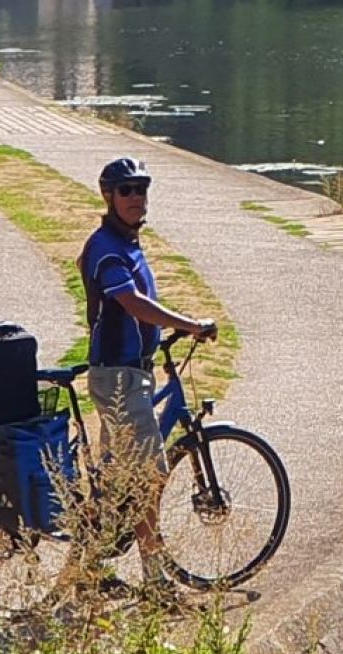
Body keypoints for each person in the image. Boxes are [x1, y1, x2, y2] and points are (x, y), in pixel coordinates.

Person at [79, 156, 218, 465]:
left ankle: (97, 514)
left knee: (121, 478)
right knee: (147, 481)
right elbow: (134, 303)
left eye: (141, 189)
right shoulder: (108, 248)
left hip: (131, 372)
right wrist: (191, 324)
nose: (135, 197)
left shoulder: (125, 242)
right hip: (119, 377)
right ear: (109, 197)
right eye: (126, 190)